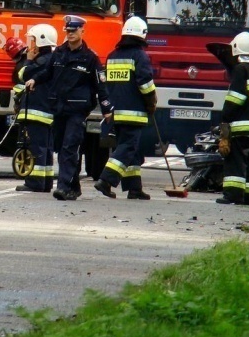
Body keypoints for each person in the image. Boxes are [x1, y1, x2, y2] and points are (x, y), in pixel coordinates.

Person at [26, 15, 113, 201]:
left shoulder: (90, 58)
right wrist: (34, 79)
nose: (71, 34)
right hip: (59, 107)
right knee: (60, 146)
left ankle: (63, 187)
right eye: (68, 31)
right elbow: (47, 72)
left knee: (69, 147)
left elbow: (101, 85)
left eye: (74, 31)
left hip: (78, 110)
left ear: (82, 31)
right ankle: (74, 186)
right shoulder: (58, 53)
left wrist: (106, 108)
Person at [95, 17, 157, 200]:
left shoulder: (112, 56)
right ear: (142, 35)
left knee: (133, 150)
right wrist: (151, 101)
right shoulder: (140, 56)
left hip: (116, 112)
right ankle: (106, 180)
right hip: (134, 112)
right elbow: (145, 84)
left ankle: (134, 188)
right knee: (128, 147)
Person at [216, 32, 249, 206]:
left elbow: (235, 98)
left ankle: (233, 195)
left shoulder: (240, 70)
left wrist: (224, 117)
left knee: (235, 161)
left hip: (239, 126)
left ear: (237, 50)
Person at [14, 25, 57, 193]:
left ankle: (34, 182)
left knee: (34, 147)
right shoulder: (51, 59)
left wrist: (29, 59)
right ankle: (45, 181)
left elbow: (23, 75)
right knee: (45, 148)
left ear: (41, 40)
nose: (31, 44)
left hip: (36, 111)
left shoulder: (41, 60)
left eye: (33, 40)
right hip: (46, 111)